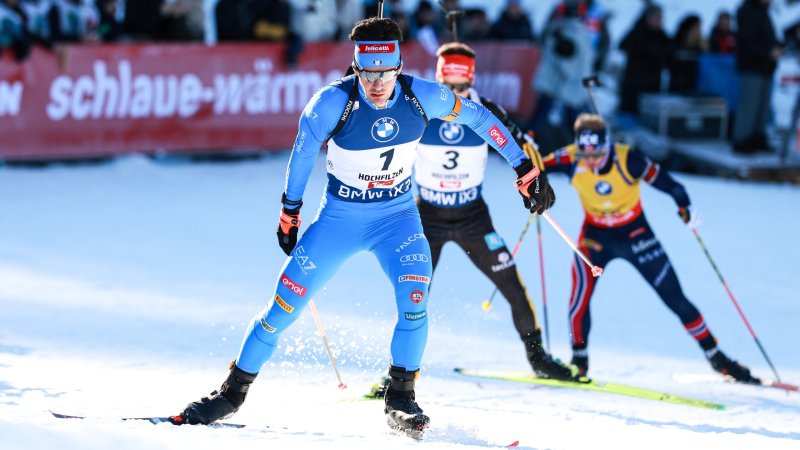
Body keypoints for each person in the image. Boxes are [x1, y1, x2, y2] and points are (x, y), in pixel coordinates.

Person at [172, 17, 555, 436]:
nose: (376, 84)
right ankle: (230, 395)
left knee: (414, 299)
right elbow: (301, 156)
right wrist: (290, 212)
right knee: (283, 307)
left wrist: (524, 169)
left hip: (397, 219)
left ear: (399, 67)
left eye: (385, 73)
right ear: (355, 69)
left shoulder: (421, 96)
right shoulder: (332, 103)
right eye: (367, 73)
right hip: (340, 219)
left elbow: (481, 119)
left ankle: (401, 399)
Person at [364, 42, 575, 402]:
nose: (454, 95)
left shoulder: (484, 110)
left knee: (510, 282)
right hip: (426, 215)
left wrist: (537, 174)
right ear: (438, 77)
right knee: (413, 295)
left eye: (461, 87)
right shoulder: (420, 106)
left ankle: (538, 357)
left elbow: (521, 143)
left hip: (473, 216)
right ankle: (395, 373)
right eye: (449, 85)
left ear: (471, 81)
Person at [541, 113, 760, 383]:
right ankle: (579, 361)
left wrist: (685, 206)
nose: (591, 161)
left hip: (636, 235)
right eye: (586, 155)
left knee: (675, 298)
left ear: (607, 145)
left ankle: (718, 358)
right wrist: (526, 152)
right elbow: (533, 166)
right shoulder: (569, 157)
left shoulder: (627, 159)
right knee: (579, 298)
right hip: (596, 237)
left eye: (597, 153)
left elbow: (672, 185)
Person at [732, 0, 782, 154]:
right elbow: (746, 42)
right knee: (749, 106)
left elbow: (766, 37)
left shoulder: (763, 11)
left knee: (762, 106)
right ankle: (741, 140)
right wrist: (768, 51)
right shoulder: (747, 11)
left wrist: (778, 46)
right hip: (751, 66)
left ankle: (757, 137)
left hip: (765, 67)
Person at [618, 4, 672, 115]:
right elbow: (623, 45)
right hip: (634, 83)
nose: (660, 21)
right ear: (648, 17)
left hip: (652, 84)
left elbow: (671, 50)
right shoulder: (637, 31)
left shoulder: (661, 35)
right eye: (657, 17)